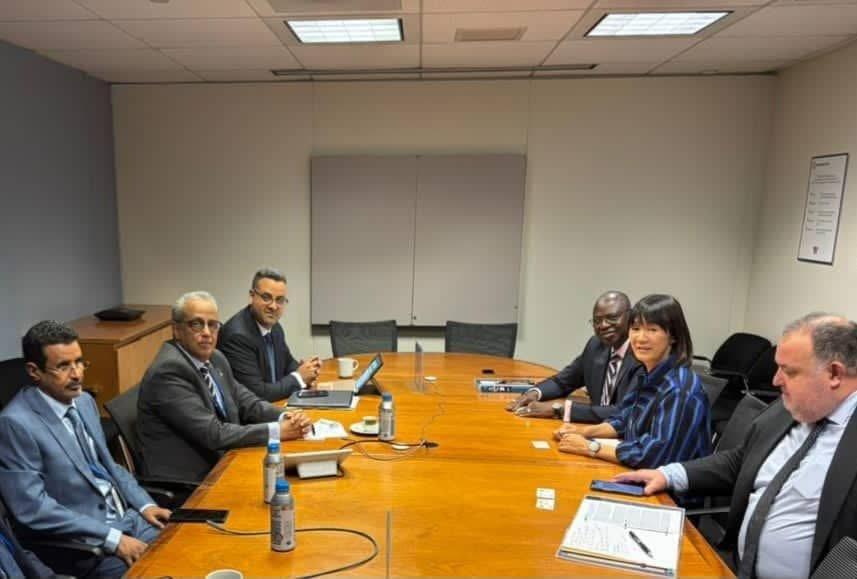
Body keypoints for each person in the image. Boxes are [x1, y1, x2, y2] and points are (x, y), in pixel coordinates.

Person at [615, 313, 857, 579]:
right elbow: (740, 460)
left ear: (834, 374)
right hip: (733, 567)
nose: (776, 381)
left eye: (789, 371)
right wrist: (668, 474)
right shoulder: (793, 407)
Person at [0, 321, 171, 578]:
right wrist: (113, 538)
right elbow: (33, 508)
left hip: (129, 518)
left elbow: (108, 466)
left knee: (190, 548)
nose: (77, 374)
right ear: (34, 371)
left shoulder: (84, 401)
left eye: (79, 362)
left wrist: (144, 504)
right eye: (63, 366)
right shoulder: (15, 424)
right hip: (87, 545)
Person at [137, 291, 312, 483]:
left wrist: (286, 416)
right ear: (177, 330)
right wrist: (277, 431)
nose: (207, 332)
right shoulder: (169, 371)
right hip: (191, 480)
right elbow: (214, 434)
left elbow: (246, 402)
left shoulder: (215, 358)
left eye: (212, 325)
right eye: (197, 324)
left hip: (224, 460)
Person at [554, 294, 711, 468]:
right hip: (638, 472)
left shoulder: (679, 389)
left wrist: (590, 447)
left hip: (667, 484)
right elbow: (624, 419)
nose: (640, 338)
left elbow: (654, 455)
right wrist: (582, 431)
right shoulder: (647, 374)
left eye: (652, 330)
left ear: (673, 336)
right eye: (635, 328)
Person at [506, 291, 641, 423]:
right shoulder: (595, 346)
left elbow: (625, 412)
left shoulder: (641, 355)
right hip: (592, 429)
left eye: (612, 318)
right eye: (597, 320)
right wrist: (535, 393)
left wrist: (560, 410)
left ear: (630, 317)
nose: (603, 325)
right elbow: (563, 382)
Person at [218, 268, 321, 402]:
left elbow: (288, 363)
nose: (273, 306)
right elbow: (259, 394)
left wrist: (308, 370)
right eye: (266, 298)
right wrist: (299, 378)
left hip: (275, 405)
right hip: (251, 413)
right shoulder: (237, 337)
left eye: (280, 300)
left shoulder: (275, 328)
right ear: (251, 296)